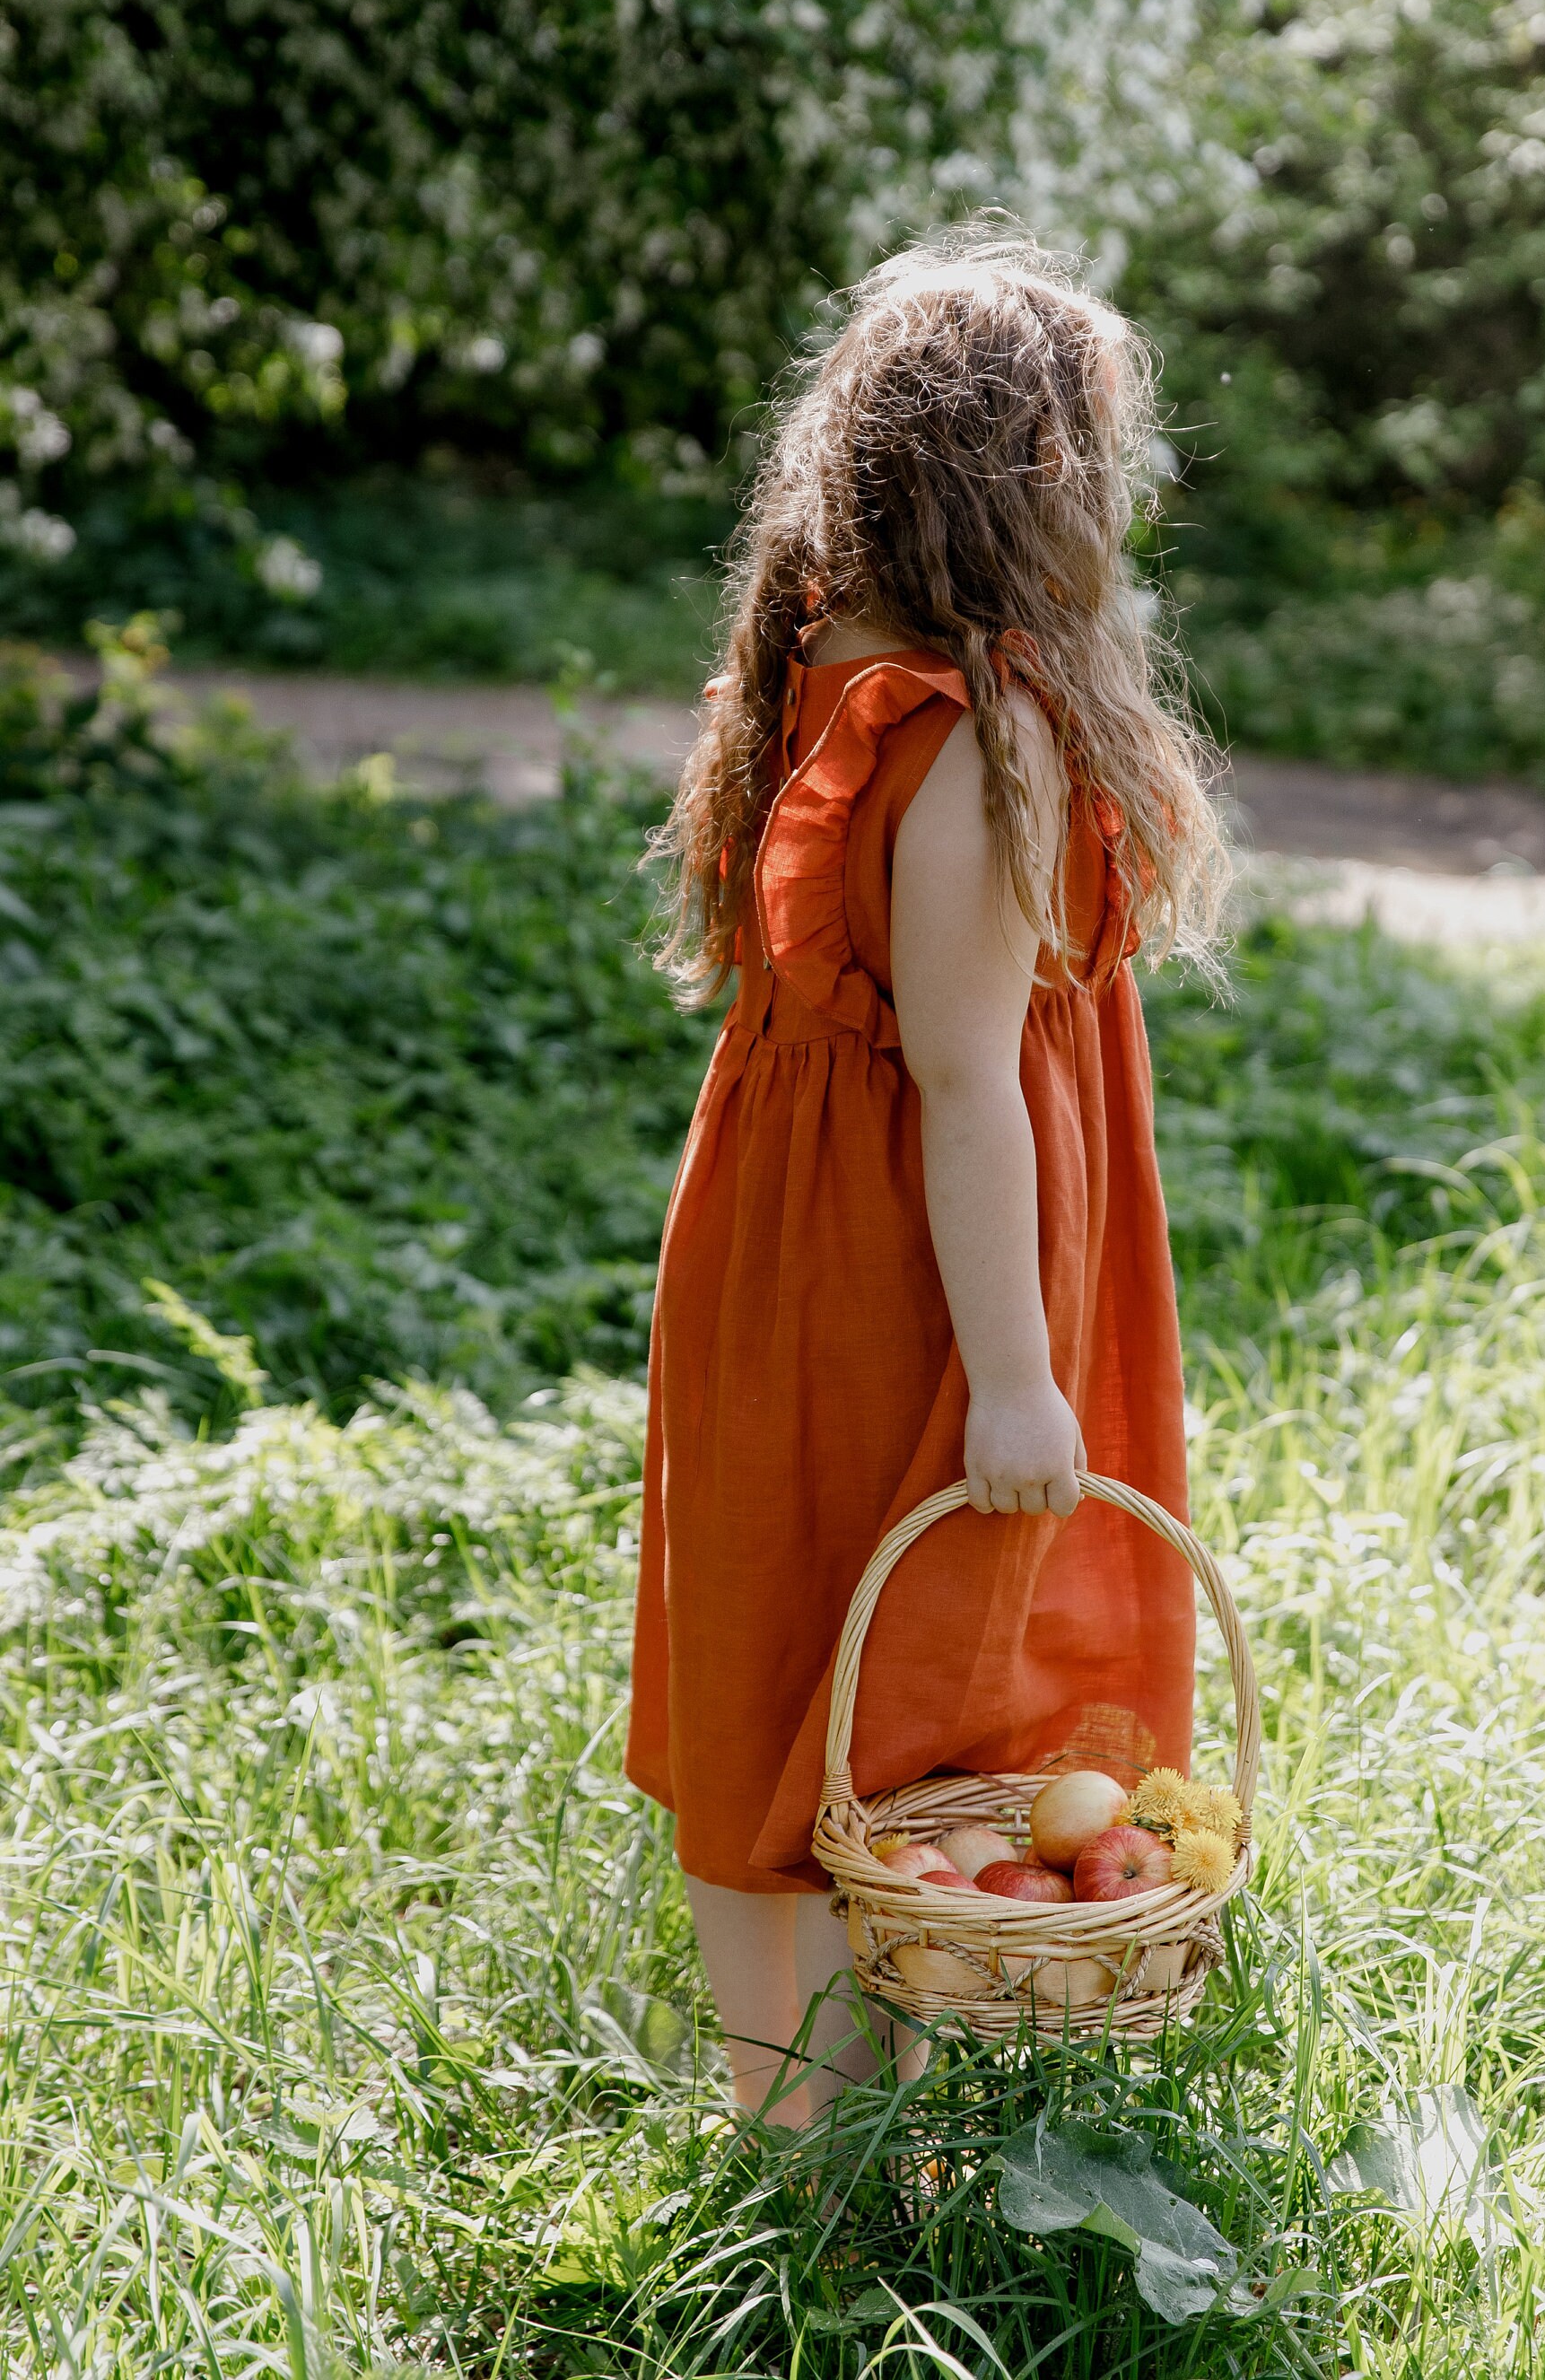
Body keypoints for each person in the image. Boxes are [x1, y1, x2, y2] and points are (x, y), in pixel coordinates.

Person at [625, 227, 1226, 2118]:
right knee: (881, 1647)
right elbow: (968, 1085)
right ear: (1035, 489)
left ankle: (807, 2098)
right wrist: (1023, 1373)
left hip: (802, 1234)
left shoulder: (833, 672)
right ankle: (804, 2122)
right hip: (907, 1267)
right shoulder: (964, 741)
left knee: (793, 1628)